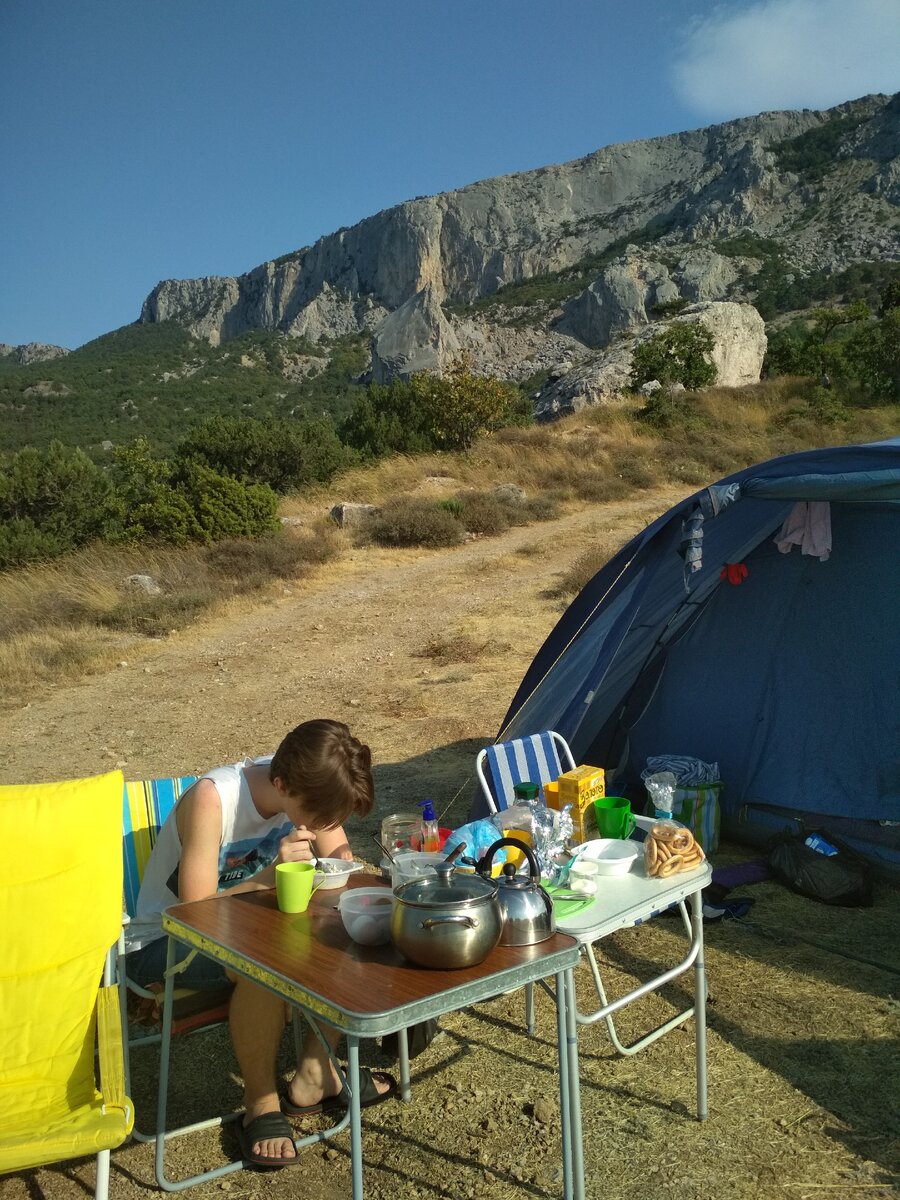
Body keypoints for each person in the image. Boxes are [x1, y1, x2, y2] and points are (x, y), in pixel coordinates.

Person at [126, 719, 397, 1169]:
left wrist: (339, 867)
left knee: (341, 929)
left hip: (246, 926)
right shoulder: (215, 799)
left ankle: (316, 1076)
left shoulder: (309, 785)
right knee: (268, 962)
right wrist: (267, 876)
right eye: (318, 817)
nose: (323, 826)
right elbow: (193, 911)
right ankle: (261, 1102)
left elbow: (340, 859)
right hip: (162, 943)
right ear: (280, 785)